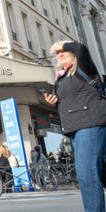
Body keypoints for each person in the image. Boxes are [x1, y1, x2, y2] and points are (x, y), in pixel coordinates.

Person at [44, 40, 106, 212]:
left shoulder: (84, 68)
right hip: (75, 128)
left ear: (73, 54)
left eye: (64, 51)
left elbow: (80, 48)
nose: (60, 54)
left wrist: (60, 44)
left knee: (87, 175)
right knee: (98, 171)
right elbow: (71, 101)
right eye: (57, 53)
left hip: (90, 123)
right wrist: (55, 102)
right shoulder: (62, 77)